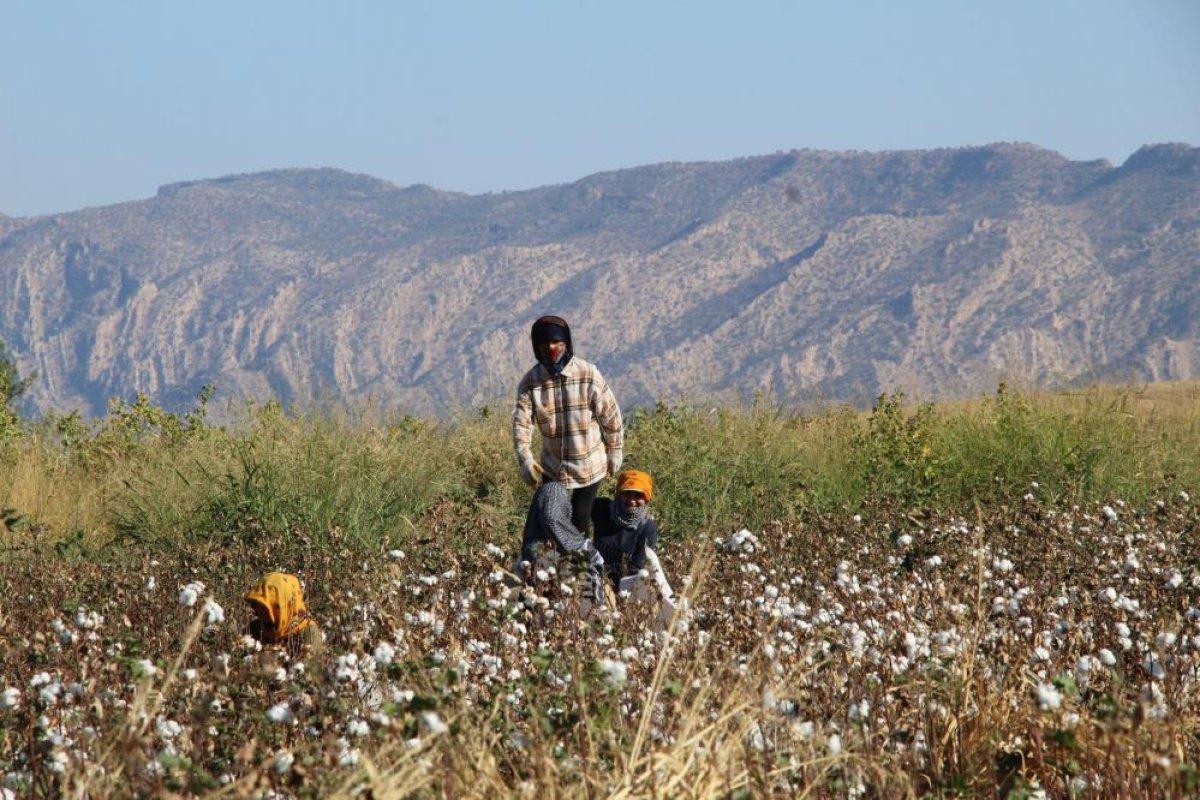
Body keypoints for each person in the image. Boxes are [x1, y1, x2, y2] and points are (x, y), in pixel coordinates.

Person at [512, 316, 623, 536]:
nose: (551, 348)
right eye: (544, 344)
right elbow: (521, 426)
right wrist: (526, 459)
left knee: (580, 520)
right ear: (536, 347)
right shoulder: (530, 383)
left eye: (556, 342)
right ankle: (555, 564)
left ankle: (583, 566)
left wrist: (615, 451)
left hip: (589, 466)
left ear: (567, 343)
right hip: (554, 468)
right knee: (551, 518)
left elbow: (611, 416)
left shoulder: (588, 374)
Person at [592, 470, 676, 616]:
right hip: (592, 574)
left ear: (647, 497)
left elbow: (638, 567)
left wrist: (613, 594)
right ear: (618, 493)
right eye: (627, 493)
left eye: (638, 495)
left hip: (625, 585)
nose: (631, 500)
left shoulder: (647, 527)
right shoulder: (601, 508)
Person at [514, 480, 609, 609]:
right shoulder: (554, 490)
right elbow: (552, 519)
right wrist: (580, 546)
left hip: (540, 552)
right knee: (544, 602)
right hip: (543, 555)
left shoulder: (553, 489)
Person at [244, 572, 322, 652]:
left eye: (265, 607)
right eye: (256, 605)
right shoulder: (254, 629)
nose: (257, 611)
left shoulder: (309, 635)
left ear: (282, 607)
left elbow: (308, 663)